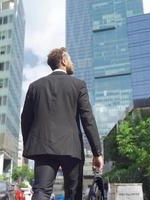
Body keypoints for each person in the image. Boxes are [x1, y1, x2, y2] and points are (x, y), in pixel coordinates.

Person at [21, 47, 104, 200]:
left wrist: (31, 145)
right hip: (71, 148)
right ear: (64, 61)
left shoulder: (35, 86)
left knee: (41, 191)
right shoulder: (78, 85)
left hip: (43, 146)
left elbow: (25, 120)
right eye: (70, 59)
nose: (72, 63)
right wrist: (97, 152)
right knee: (73, 194)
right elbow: (88, 120)